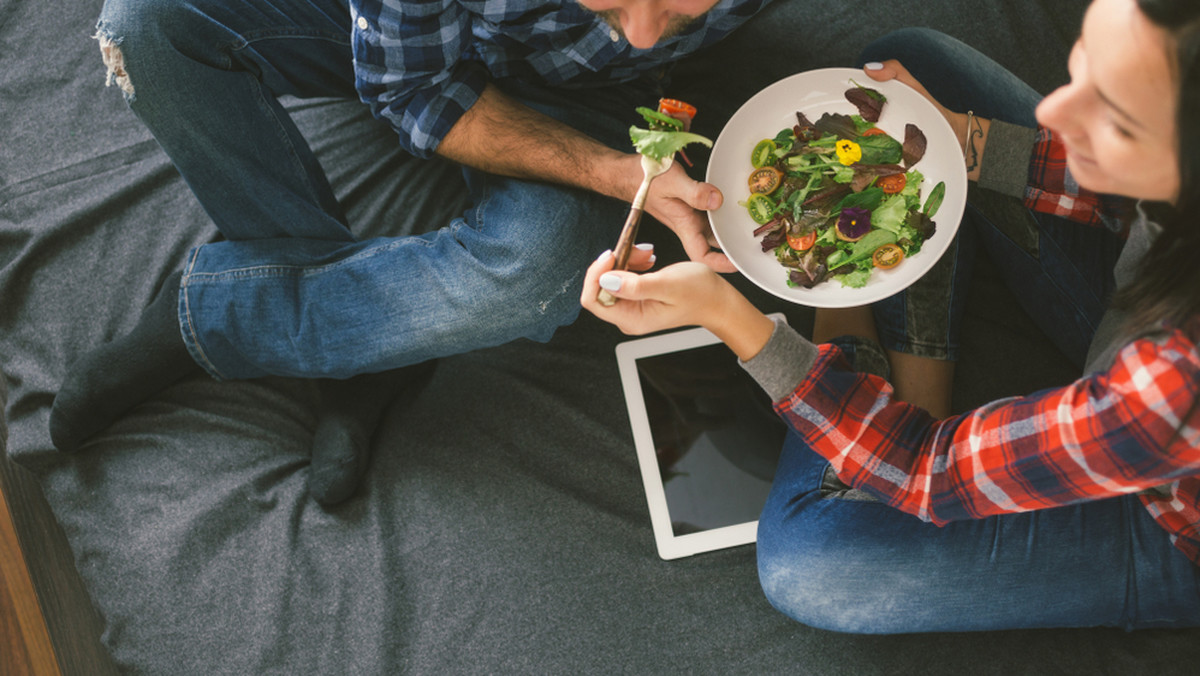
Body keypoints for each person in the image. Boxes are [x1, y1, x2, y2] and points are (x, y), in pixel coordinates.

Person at [581, 0, 1200, 632]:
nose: (1053, 113)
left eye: (1119, 121)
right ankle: (896, 368)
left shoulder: (1174, 384)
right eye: (1086, 62)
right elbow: (1129, 194)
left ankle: (864, 349)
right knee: (909, 75)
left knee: (817, 564)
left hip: (1167, 512)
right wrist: (964, 138)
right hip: (1154, 293)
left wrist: (730, 318)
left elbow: (925, 470)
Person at [51, 0, 784, 504]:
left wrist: (903, 75)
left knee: (543, 264)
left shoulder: (642, 41)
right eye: (616, 8)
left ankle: (239, 315)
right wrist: (610, 173)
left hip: (587, 91)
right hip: (404, 48)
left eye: (685, 8)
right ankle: (347, 343)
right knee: (145, 22)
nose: (649, 34)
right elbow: (415, 91)